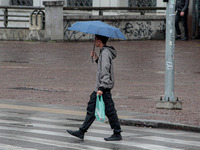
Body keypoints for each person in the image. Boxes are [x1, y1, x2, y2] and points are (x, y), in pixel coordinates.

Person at [66, 34, 122, 141]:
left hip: (102, 88)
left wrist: (101, 88)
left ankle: (117, 133)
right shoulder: (104, 52)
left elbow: (105, 72)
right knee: (100, 109)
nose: (94, 41)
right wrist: (97, 58)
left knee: (103, 110)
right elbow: (103, 67)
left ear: (99, 41)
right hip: (102, 87)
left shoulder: (105, 53)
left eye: (95, 39)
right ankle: (82, 131)